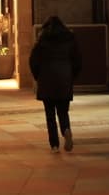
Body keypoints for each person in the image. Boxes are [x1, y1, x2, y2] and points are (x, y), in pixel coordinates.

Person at [28, 16, 82, 152]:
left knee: (50, 114)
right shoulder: (70, 39)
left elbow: (33, 61)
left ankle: (54, 145)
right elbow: (77, 61)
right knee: (63, 111)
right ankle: (66, 130)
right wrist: (71, 76)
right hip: (64, 79)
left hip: (46, 80)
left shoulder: (42, 41)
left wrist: (38, 76)